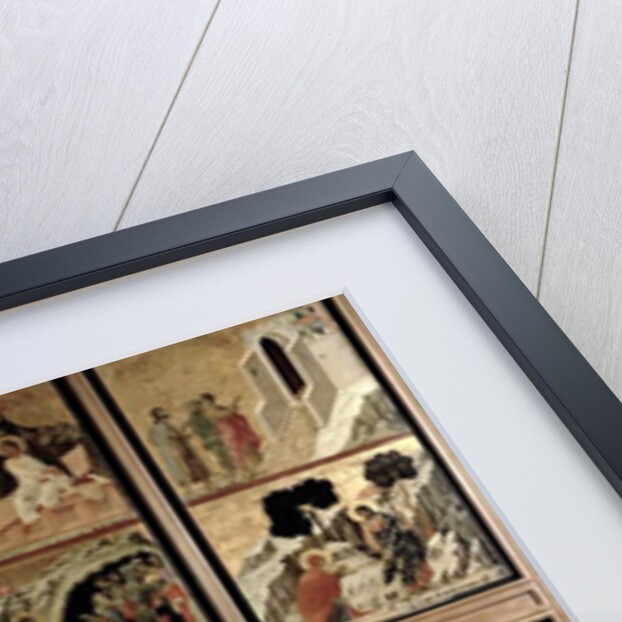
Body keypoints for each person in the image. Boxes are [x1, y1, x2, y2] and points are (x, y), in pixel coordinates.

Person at [351, 502, 433, 590]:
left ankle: (423, 580)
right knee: (401, 565)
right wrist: (379, 549)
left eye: (364, 511)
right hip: (388, 546)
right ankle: (412, 585)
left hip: (402, 539)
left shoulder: (383, 515)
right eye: (361, 514)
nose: (364, 514)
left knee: (414, 557)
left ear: (369, 509)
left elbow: (399, 523)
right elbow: (370, 538)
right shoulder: (366, 524)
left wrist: (406, 529)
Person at [0, 437, 74, 528]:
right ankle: (34, 520)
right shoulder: (9, 463)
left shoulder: (28, 457)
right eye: (5, 450)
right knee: (20, 500)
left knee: (48, 489)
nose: (9, 452)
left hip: (44, 479)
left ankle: (50, 511)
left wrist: (49, 471)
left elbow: (41, 467)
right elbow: (23, 473)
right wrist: (41, 474)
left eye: (10, 448)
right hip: (28, 484)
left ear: (16, 447)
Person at [148, 408, 210, 487]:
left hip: (182, 446)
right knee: (185, 464)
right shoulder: (159, 428)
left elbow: (177, 434)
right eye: (162, 416)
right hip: (176, 449)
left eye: (165, 416)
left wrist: (184, 435)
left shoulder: (168, 425)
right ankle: (195, 480)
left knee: (192, 461)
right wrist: (176, 439)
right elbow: (165, 439)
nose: (165, 419)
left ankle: (202, 478)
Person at [295, 549, 360, 622]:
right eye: (323, 561)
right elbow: (334, 591)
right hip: (324, 610)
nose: (325, 563)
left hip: (309, 612)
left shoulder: (304, 577)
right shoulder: (321, 573)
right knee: (340, 603)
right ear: (318, 562)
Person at [185, 396, 235, 475]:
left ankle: (230, 470)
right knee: (221, 455)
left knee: (221, 455)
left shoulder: (196, 417)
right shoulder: (200, 415)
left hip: (210, 438)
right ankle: (230, 470)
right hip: (211, 437)